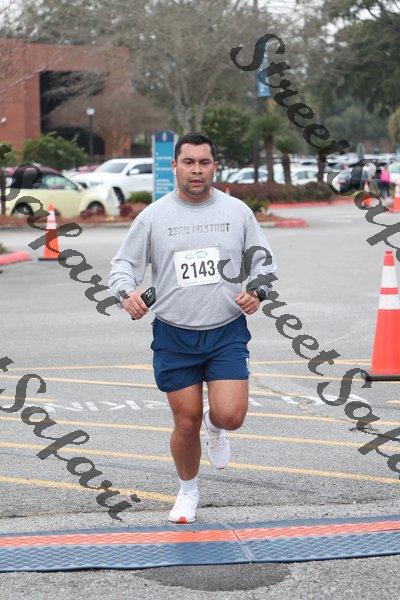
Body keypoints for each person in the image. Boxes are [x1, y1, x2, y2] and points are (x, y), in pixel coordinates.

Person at [108, 132, 277, 524]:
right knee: (185, 421)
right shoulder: (154, 217)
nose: (196, 170)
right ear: (175, 166)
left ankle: (216, 427)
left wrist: (258, 291)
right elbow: (123, 264)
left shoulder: (237, 212)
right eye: (189, 162)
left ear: (215, 166)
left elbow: (264, 262)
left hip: (225, 330)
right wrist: (126, 293)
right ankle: (188, 492)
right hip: (174, 333)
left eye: (204, 162)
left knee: (231, 415)